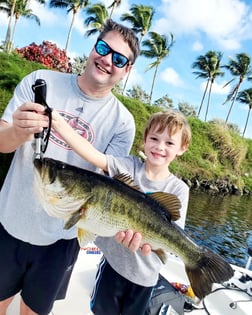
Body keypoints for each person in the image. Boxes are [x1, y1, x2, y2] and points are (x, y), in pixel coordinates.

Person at [0, 19, 145, 315]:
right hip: (8, 223)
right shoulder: (40, 82)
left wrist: (128, 230)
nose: (107, 60)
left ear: (127, 70)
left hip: (62, 240)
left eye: (119, 59)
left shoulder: (122, 123)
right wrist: (17, 131)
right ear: (93, 46)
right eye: (103, 48)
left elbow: (107, 191)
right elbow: (2, 142)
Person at [51, 108, 192, 315]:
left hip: (146, 278)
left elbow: (174, 236)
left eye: (169, 143)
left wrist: (152, 246)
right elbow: (94, 156)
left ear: (182, 148)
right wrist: (60, 125)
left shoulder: (179, 189)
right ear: (144, 140)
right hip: (112, 266)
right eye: (154, 138)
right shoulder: (127, 166)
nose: (160, 147)